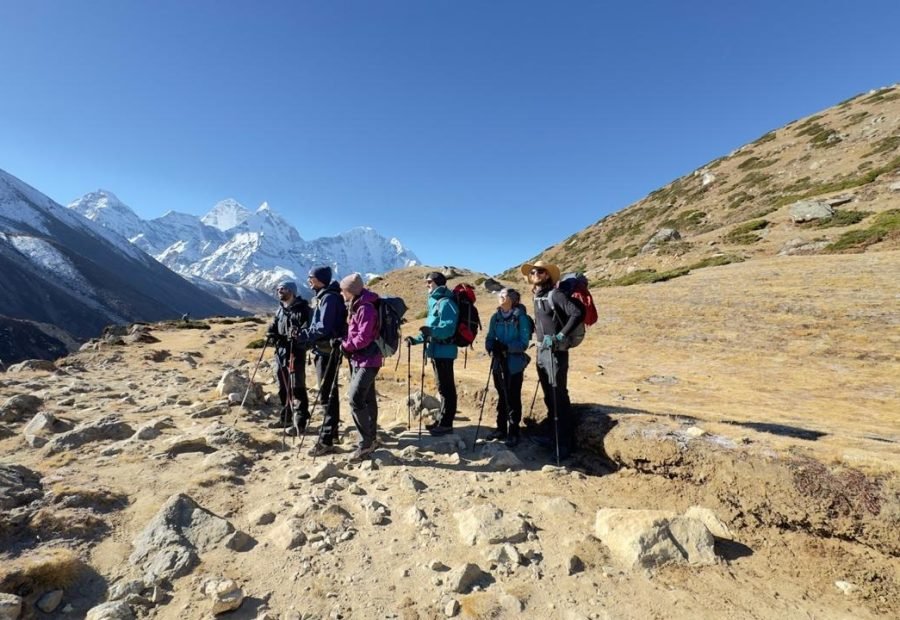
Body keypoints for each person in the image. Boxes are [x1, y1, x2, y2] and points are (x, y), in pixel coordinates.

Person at [520, 260, 582, 459]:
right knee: (549, 396)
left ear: (547, 275)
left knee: (558, 396)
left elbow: (577, 313)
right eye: (533, 271)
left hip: (555, 352)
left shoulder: (555, 294)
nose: (535, 273)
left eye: (540, 271)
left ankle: (564, 444)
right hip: (542, 352)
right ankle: (553, 437)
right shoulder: (538, 297)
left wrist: (560, 336)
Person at [293, 265, 347, 451]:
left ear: (320, 279)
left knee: (327, 395)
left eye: (311, 277)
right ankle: (332, 433)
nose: (308, 280)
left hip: (326, 352)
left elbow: (323, 327)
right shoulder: (326, 296)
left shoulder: (328, 298)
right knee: (330, 392)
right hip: (325, 350)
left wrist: (303, 334)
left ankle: (326, 440)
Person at [405, 271, 459, 435]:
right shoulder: (435, 302)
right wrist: (415, 340)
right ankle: (442, 421)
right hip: (437, 350)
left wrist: (432, 332)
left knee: (446, 388)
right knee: (442, 387)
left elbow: (448, 329)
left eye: (429, 282)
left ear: (438, 283)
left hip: (445, 351)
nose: (426, 285)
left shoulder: (445, 303)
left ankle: (446, 423)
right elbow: (430, 328)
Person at [336, 272, 383, 462]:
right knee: (368, 398)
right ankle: (371, 439)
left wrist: (345, 345)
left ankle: (365, 443)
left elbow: (363, 337)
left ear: (351, 291)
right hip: (362, 359)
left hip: (368, 360)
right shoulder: (359, 305)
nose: (341, 294)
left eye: (343, 290)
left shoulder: (366, 308)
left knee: (355, 398)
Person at [484, 288, 533, 447]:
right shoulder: (495, 317)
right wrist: (491, 347)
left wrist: (506, 347)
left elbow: (524, 343)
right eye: (500, 295)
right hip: (499, 363)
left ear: (512, 300)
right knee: (501, 394)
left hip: (514, 365)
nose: (500, 297)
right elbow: (490, 337)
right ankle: (500, 428)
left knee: (513, 396)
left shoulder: (521, 318)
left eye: (503, 295)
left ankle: (513, 430)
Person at [265, 281, 311, 433]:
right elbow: (276, 325)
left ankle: (300, 422)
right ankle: (285, 418)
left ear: (292, 291)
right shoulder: (281, 309)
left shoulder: (303, 309)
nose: (279, 291)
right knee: (283, 386)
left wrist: (298, 336)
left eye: (283, 289)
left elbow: (309, 331)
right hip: (281, 351)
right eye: (278, 289)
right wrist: (272, 333)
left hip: (296, 351)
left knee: (297, 386)